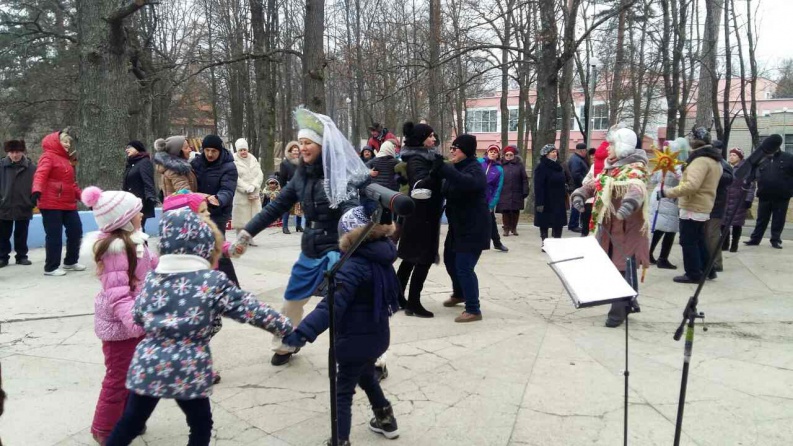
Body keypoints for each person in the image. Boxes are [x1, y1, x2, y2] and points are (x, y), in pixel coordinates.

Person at [105, 209, 293, 446]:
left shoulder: (153, 278)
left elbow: (138, 315)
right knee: (200, 424)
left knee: (130, 421)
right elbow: (250, 309)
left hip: (148, 364)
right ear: (204, 246)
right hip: (189, 367)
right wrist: (284, 326)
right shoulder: (212, 282)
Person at [232, 107, 368, 366]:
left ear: (322, 146)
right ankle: (285, 345)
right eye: (300, 142)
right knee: (292, 299)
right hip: (311, 248)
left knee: (349, 303)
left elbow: (351, 212)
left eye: (308, 143)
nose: (302, 148)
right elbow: (276, 206)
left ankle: (371, 356)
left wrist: (356, 240)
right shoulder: (300, 176)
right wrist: (246, 234)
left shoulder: (339, 176)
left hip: (338, 248)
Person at [281, 206, 400, 446]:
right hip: (377, 336)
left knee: (343, 391)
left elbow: (330, 307)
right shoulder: (381, 256)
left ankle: (340, 439)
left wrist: (302, 333)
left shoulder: (352, 267)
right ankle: (386, 420)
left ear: (348, 235)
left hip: (352, 340)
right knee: (366, 375)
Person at [79, 187, 157, 445]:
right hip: (122, 325)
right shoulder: (115, 250)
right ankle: (104, 430)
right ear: (123, 219)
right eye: (137, 212)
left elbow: (154, 266)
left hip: (138, 318)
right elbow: (118, 295)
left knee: (137, 374)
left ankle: (129, 419)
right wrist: (135, 322)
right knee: (118, 378)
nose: (142, 214)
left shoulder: (136, 240)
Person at [571, 126, 650, 327]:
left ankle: (618, 312)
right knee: (613, 268)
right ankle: (629, 302)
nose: (607, 148)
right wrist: (580, 194)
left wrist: (629, 204)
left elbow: (637, 188)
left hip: (627, 229)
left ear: (622, 147)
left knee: (622, 269)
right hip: (609, 228)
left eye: (611, 144)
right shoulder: (611, 168)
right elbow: (595, 184)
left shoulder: (635, 168)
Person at [659, 127, 723, 283]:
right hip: (702, 205)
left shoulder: (700, 160)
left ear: (694, 141)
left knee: (688, 241)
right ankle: (708, 270)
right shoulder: (713, 160)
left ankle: (693, 273)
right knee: (699, 239)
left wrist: (667, 192)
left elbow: (691, 185)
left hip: (693, 206)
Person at [437, 134, 490, 322]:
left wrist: (445, 169)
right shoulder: (456, 167)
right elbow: (445, 187)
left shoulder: (475, 168)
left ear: (466, 150)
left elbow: (468, 183)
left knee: (464, 267)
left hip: (474, 226)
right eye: (451, 148)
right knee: (450, 260)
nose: (452, 151)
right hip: (457, 225)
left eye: (455, 148)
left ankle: (473, 309)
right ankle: (459, 293)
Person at [395, 121, 444, 318]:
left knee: (409, 259)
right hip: (421, 217)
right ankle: (413, 302)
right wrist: (436, 172)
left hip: (422, 215)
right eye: (430, 136)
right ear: (421, 139)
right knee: (422, 259)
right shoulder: (417, 159)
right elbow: (420, 185)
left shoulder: (425, 156)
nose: (434, 138)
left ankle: (397, 297)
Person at [32, 130, 85, 276]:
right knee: (54, 235)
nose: (67, 144)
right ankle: (51, 267)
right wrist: (36, 190)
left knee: (76, 231)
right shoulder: (48, 156)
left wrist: (86, 198)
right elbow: (40, 174)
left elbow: (71, 184)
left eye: (68, 142)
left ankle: (70, 262)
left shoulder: (67, 161)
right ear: (56, 142)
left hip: (68, 203)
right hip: (51, 203)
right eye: (64, 141)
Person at [191, 135, 239, 286]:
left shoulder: (229, 166)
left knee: (219, 249)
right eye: (207, 150)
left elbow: (228, 189)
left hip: (218, 212)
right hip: (199, 211)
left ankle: (233, 287)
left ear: (220, 150)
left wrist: (219, 199)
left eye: (214, 151)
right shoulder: (196, 163)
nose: (210, 154)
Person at [744, 134, 793, 249]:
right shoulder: (762, 159)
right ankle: (755, 239)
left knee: (778, 219)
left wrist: (790, 188)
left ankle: (775, 240)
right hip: (764, 194)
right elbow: (753, 174)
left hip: (782, 196)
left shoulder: (788, 158)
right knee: (761, 219)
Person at [648, 138, 689, 269]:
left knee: (659, 227)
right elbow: (683, 181)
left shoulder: (661, 162)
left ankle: (648, 254)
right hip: (669, 196)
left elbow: (653, 179)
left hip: (658, 194)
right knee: (670, 229)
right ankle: (663, 258)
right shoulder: (677, 165)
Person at [0, 140, 36, 267]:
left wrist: (32, 201)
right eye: (12, 152)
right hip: (4, 207)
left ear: (22, 152)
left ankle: (21, 256)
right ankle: (2, 257)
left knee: (22, 233)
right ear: (7, 152)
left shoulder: (31, 168)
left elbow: (37, 185)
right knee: (3, 234)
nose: (15, 155)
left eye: (18, 152)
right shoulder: (1, 166)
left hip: (24, 205)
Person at [704, 141, 734, 272]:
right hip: (707, 202)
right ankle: (708, 260)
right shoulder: (710, 163)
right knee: (706, 234)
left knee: (712, 234)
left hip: (716, 204)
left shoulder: (723, 164)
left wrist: (713, 174)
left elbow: (729, 179)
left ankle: (716, 263)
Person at [722, 148, 756, 252]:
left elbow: (750, 185)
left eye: (734, 155)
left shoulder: (744, 169)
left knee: (736, 224)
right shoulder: (727, 167)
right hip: (726, 200)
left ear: (740, 157)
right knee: (723, 223)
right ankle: (724, 244)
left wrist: (748, 199)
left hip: (739, 200)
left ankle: (734, 245)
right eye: (730, 155)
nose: (731, 157)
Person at [533, 144, 567, 243]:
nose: (555, 154)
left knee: (558, 222)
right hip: (546, 199)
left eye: (555, 151)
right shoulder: (541, 167)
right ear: (546, 154)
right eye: (552, 152)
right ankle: (545, 242)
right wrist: (540, 202)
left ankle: (557, 242)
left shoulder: (559, 166)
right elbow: (538, 186)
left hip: (558, 199)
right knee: (544, 222)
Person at [231, 138, 263, 242]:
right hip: (241, 195)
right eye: (240, 150)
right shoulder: (234, 161)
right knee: (241, 218)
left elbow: (259, 174)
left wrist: (254, 185)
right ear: (237, 151)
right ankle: (239, 238)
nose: (243, 152)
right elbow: (235, 177)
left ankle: (250, 238)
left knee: (252, 218)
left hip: (253, 193)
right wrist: (245, 187)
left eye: (244, 149)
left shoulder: (253, 159)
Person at [122, 141, 157, 232]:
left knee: (137, 229)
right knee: (132, 230)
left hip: (140, 202)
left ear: (137, 148)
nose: (126, 150)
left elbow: (148, 181)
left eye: (129, 147)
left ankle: (141, 241)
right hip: (129, 202)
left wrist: (150, 197)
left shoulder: (144, 162)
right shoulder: (131, 164)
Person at [480, 144, 508, 252]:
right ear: (487, 152)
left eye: (495, 152)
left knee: (491, 222)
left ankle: (497, 243)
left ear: (498, 155)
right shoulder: (479, 162)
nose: (492, 153)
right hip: (474, 198)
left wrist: (492, 204)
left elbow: (498, 188)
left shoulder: (499, 169)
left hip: (487, 200)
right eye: (491, 151)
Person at [496, 145, 529, 237]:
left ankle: (514, 228)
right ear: (504, 155)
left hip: (517, 191)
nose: (509, 157)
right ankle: (506, 228)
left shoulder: (519, 165)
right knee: (505, 211)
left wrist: (525, 190)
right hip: (504, 192)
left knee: (515, 211)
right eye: (507, 155)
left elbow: (524, 179)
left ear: (514, 155)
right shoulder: (500, 165)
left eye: (511, 155)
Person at [279, 141, 304, 234]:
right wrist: (283, 188)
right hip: (289, 186)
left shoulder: (302, 162)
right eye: (294, 150)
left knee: (299, 207)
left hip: (300, 186)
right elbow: (282, 178)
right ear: (290, 151)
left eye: (297, 150)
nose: (296, 152)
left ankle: (298, 225)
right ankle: (285, 227)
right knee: (287, 207)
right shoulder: (285, 163)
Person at [567, 143, 590, 232]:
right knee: (577, 205)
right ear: (582, 151)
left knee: (577, 205)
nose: (586, 153)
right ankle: (573, 224)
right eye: (585, 151)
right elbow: (575, 174)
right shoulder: (576, 160)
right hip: (577, 186)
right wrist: (584, 183)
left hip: (577, 186)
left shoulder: (577, 159)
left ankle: (574, 224)